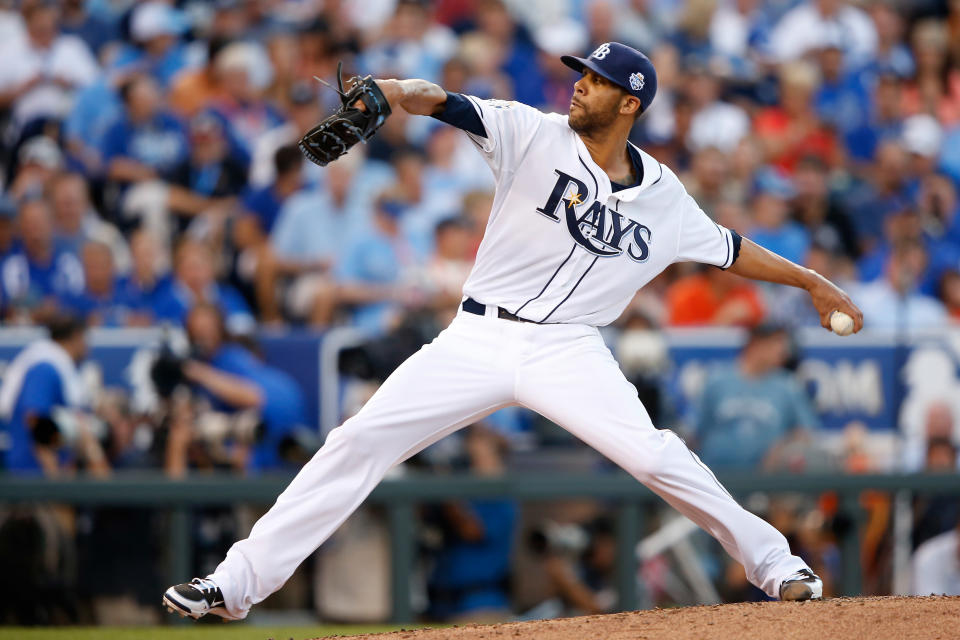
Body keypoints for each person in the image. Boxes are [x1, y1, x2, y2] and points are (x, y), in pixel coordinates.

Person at [164, 41, 863, 620]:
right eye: (581, 75)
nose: (579, 88)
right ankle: (235, 583)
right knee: (358, 439)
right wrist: (394, 88)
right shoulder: (529, 131)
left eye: (596, 82)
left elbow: (732, 248)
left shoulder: (664, 196)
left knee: (654, 457)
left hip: (570, 348)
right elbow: (440, 99)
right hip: (477, 337)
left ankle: (777, 565)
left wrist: (811, 281)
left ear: (630, 103)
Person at [694, 325, 820, 470]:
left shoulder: (788, 385)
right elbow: (696, 432)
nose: (783, 351)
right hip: (714, 475)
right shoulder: (717, 380)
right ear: (756, 343)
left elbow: (806, 433)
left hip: (765, 481)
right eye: (777, 343)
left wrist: (784, 447)